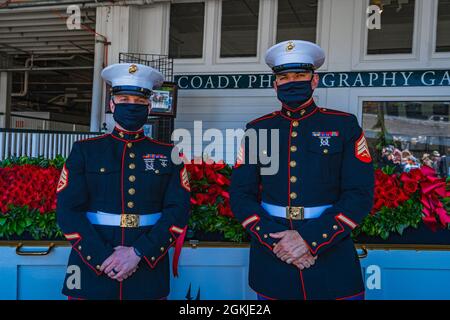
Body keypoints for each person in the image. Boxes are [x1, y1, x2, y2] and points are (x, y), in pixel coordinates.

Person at [230, 40, 374, 300]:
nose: (292, 82)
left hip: (331, 256)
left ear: (314, 80)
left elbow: (359, 193)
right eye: (284, 77)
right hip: (274, 257)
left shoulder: (344, 125)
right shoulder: (258, 130)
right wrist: (278, 243)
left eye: (300, 75)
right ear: (275, 85)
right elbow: (241, 195)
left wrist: (310, 240)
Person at [56, 63, 190, 300]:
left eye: (139, 102)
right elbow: (68, 211)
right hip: (91, 268)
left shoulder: (170, 153)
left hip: (147, 265)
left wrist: (138, 252)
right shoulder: (85, 151)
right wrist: (102, 258)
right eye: (124, 98)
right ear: (111, 104)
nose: (132, 106)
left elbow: (178, 211)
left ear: (149, 107)